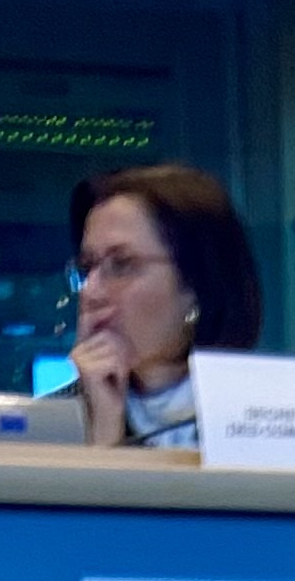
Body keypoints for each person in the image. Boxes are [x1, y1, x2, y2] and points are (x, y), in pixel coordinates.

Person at [69, 162, 261, 451]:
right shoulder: (47, 425)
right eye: (87, 268)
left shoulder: (267, 418)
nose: (90, 291)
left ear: (196, 284)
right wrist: (104, 433)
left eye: (121, 265)